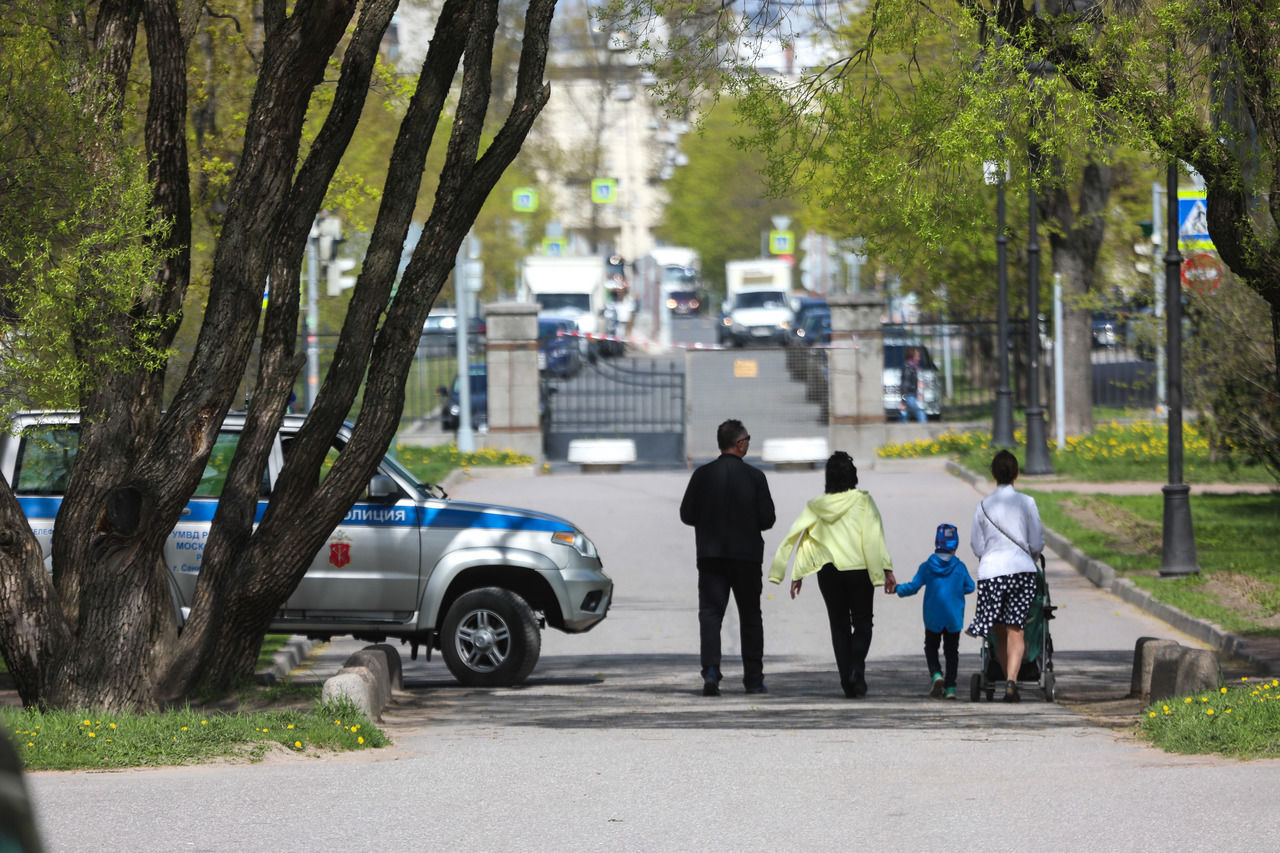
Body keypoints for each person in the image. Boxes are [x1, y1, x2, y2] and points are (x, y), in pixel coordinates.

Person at [769, 451, 895, 698]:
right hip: (860, 570)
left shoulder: (816, 506)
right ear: (853, 476)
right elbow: (874, 537)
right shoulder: (864, 501)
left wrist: (790, 573)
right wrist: (886, 569)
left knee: (838, 626)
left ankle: (847, 680)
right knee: (863, 622)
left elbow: (795, 537)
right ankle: (857, 668)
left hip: (829, 572)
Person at [680, 419, 775, 696]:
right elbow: (768, 519)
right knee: (750, 616)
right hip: (746, 557)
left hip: (711, 556)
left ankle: (711, 672)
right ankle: (754, 679)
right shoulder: (755, 477)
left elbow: (687, 514)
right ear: (740, 443)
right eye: (747, 438)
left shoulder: (702, 475)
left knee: (710, 615)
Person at [965, 449, 1045, 702]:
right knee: (1016, 629)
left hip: (992, 573)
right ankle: (1012, 680)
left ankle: (1003, 674)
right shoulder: (1027, 502)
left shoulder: (983, 506)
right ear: (1016, 473)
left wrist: (991, 555)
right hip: (1022, 571)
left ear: (992, 473)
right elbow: (1037, 542)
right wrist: (1028, 555)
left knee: (998, 630)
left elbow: (977, 545)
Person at [895, 523, 975, 699]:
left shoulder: (927, 566)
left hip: (933, 617)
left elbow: (914, 587)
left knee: (931, 647)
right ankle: (951, 687)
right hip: (953, 617)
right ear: (955, 546)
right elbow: (970, 586)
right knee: (951, 651)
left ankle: (936, 674)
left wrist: (897, 589)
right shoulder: (959, 568)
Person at [899, 347, 927, 423]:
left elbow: (911, 382)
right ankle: (926, 430)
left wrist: (918, 384)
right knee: (920, 413)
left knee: (904, 416)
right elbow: (905, 385)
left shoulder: (913, 367)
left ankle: (898, 431)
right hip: (909, 396)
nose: (919, 358)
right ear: (912, 356)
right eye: (917, 356)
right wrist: (903, 401)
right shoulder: (908, 367)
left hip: (912, 395)